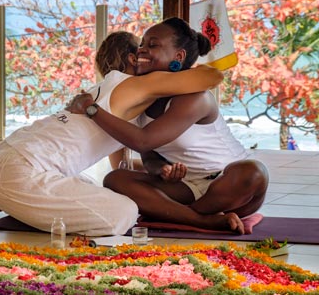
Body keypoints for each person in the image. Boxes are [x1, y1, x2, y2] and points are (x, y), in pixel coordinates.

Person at [0, 30, 223, 236]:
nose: (146, 52)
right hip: (22, 169)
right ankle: (6, 196)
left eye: (151, 47)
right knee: (123, 213)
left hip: (12, 155)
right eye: (142, 48)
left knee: (93, 187)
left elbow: (119, 165)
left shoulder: (109, 86)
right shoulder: (139, 84)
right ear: (133, 59)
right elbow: (211, 77)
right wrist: (179, 63)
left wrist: (162, 171)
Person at [68, 17, 269, 234]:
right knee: (115, 179)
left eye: (152, 45)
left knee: (254, 172)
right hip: (186, 187)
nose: (142, 50)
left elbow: (143, 141)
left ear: (178, 57)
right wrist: (161, 169)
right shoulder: (144, 98)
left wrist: (92, 109)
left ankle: (182, 215)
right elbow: (150, 155)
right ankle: (200, 220)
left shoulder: (196, 98)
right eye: (141, 45)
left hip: (229, 187)